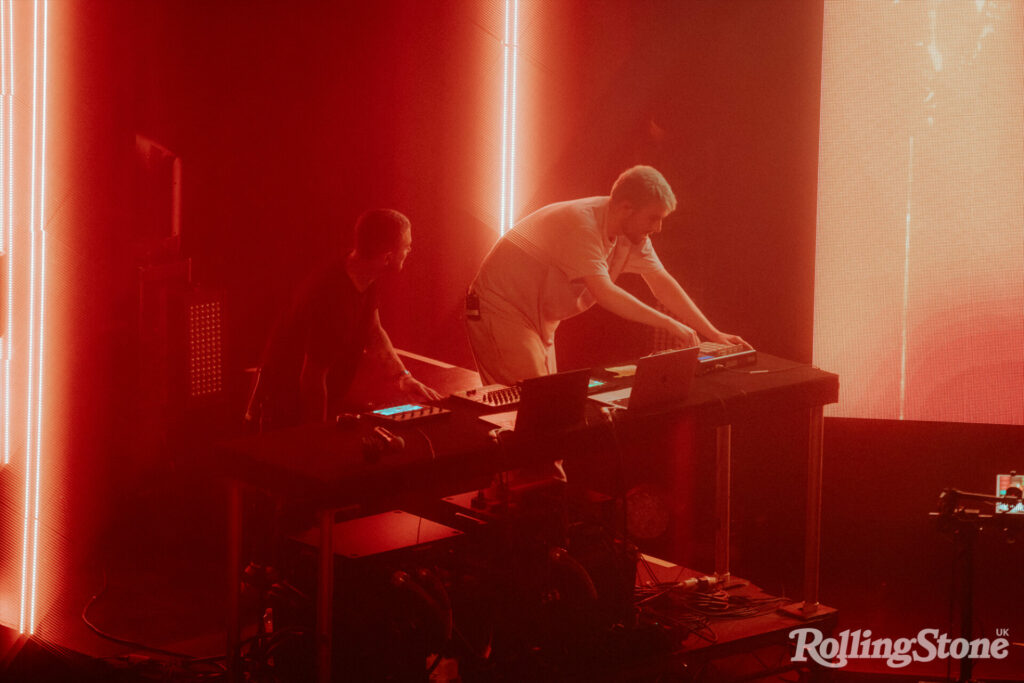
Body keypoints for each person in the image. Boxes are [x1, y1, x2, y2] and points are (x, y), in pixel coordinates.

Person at [466, 165, 746, 386]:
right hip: (501, 309)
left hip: (538, 320)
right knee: (531, 407)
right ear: (626, 208)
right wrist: (671, 325)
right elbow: (604, 293)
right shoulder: (582, 224)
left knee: (544, 408)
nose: (658, 228)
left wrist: (713, 333)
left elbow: (662, 283)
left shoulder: (631, 234)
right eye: (653, 218)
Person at [247, 208, 440, 430]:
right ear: (387, 257)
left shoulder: (363, 273)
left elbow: (374, 332)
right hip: (285, 408)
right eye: (406, 246)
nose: (410, 250)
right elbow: (311, 379)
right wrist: (318, 435)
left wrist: (403, 376)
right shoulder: (333, 300)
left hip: (302, 402)